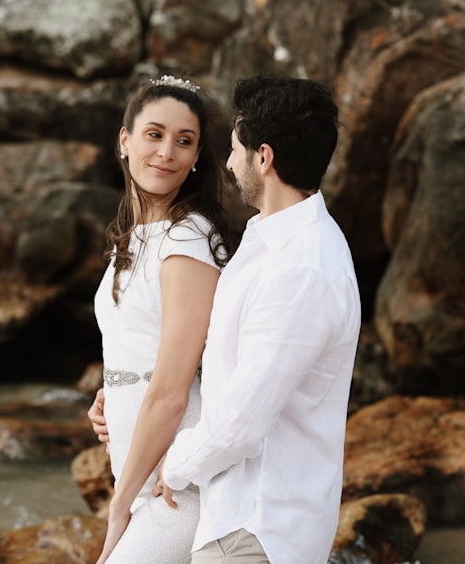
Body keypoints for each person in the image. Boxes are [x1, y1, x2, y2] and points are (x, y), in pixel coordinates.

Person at [154, 75, 363, 563]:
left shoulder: (302, 268)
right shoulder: (273, 242)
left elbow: (241, 423)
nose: (227, 163)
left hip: (257, 530)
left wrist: (176, 465)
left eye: (234, 149)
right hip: (241, 521)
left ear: (263, 158)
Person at [86, 74, 240, 564]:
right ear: (125, 141)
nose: (167, 152)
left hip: (175, 484)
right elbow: (142, 345)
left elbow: (174, 390)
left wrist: (118, 505)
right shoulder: (135, 236)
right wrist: (115, 389)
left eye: (184, 141)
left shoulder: (187, 240)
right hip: (143, 471)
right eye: (154, 134)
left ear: (197, 159)